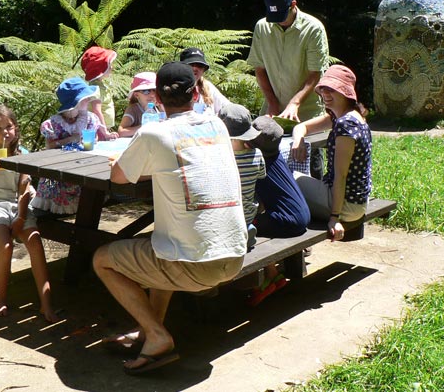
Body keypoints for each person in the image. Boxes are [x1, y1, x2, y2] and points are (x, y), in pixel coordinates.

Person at [92, 62, 247, 375]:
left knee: (101, 259)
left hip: (194, 265)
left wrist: (127, 161)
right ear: (195, 92)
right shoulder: (217, 126)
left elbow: (119, 176)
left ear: (157, 100)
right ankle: (150, 330)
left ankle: (158, 335)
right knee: (161, 242)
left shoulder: (153, 132)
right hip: (235, 257)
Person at [0, 104, 59, 322]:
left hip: (18, 204)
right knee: (6, 246)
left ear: (16, 128)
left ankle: (46, 304)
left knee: (35, 242)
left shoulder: (22, 154)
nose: (5, 133)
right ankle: (1, 298)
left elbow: (23, 191)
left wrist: (20, 218)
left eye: (8, 127)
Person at [247, 0, 329, 178]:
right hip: (272, 114)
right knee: (271, 168)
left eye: (282, 17)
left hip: (307, 113)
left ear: (293, 5)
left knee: (310, 167)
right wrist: (273, 103)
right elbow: (259, 69)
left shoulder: (313, 28)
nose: (279, 22)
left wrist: (295, 102)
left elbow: (315, 74)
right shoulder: (262, 27)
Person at [290, 65, 372, 242]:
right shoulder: (345, 116)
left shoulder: (346, 125)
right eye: (323, 89)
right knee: (290, 181)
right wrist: (299, 140)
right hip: (355, 200)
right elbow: (301, 126)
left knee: (285, 180)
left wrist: (334, 218)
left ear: (346, 93)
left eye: (332, 90)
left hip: (346, 205)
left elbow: (341, 176)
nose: (326, 95)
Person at [247, 115, 312, 306]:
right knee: (257, 221)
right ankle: (273, 275)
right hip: (303, 215)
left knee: (247, 227)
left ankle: (260, 281)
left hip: (286, 220)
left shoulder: (257, 163)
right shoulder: (276, 157)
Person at [31, 77, 118, 214]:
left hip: (83, 164)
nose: (88, 101)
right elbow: (50, 146)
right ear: (75, 103)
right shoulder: (53, 124)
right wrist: (70, 140)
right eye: (85, 99)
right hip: (59, 170)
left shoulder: (89, 118)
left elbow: (94, 137)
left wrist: (95, 139)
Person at [216, 102, 265, 249]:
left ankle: (233, 233)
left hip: (224, 217)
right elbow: (261, 176)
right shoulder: (257, 155)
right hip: (248, 215)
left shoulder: (218, 158)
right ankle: (246, 228)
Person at [179, 47, 231, 115]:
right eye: (191, 65)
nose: (195, 68)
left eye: (199, 65)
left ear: (203, 69)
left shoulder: (208, 87)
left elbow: (228, 107)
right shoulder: (174, 87)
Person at [117, 71, 165, 137]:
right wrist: (145, 126)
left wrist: (162, 107)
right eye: (146, 91)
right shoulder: (133, 109)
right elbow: (121, 132)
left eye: (154, 90)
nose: (152, 95)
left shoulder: (156, 108)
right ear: (136, 95)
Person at [82, 45, 118, 129]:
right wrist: (104, 131)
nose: (112, 67)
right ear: (101, 69)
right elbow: (96, 111)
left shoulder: (100, 85)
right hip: (98, 128)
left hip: (101, 127)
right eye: (109, 65)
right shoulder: (96, 88)